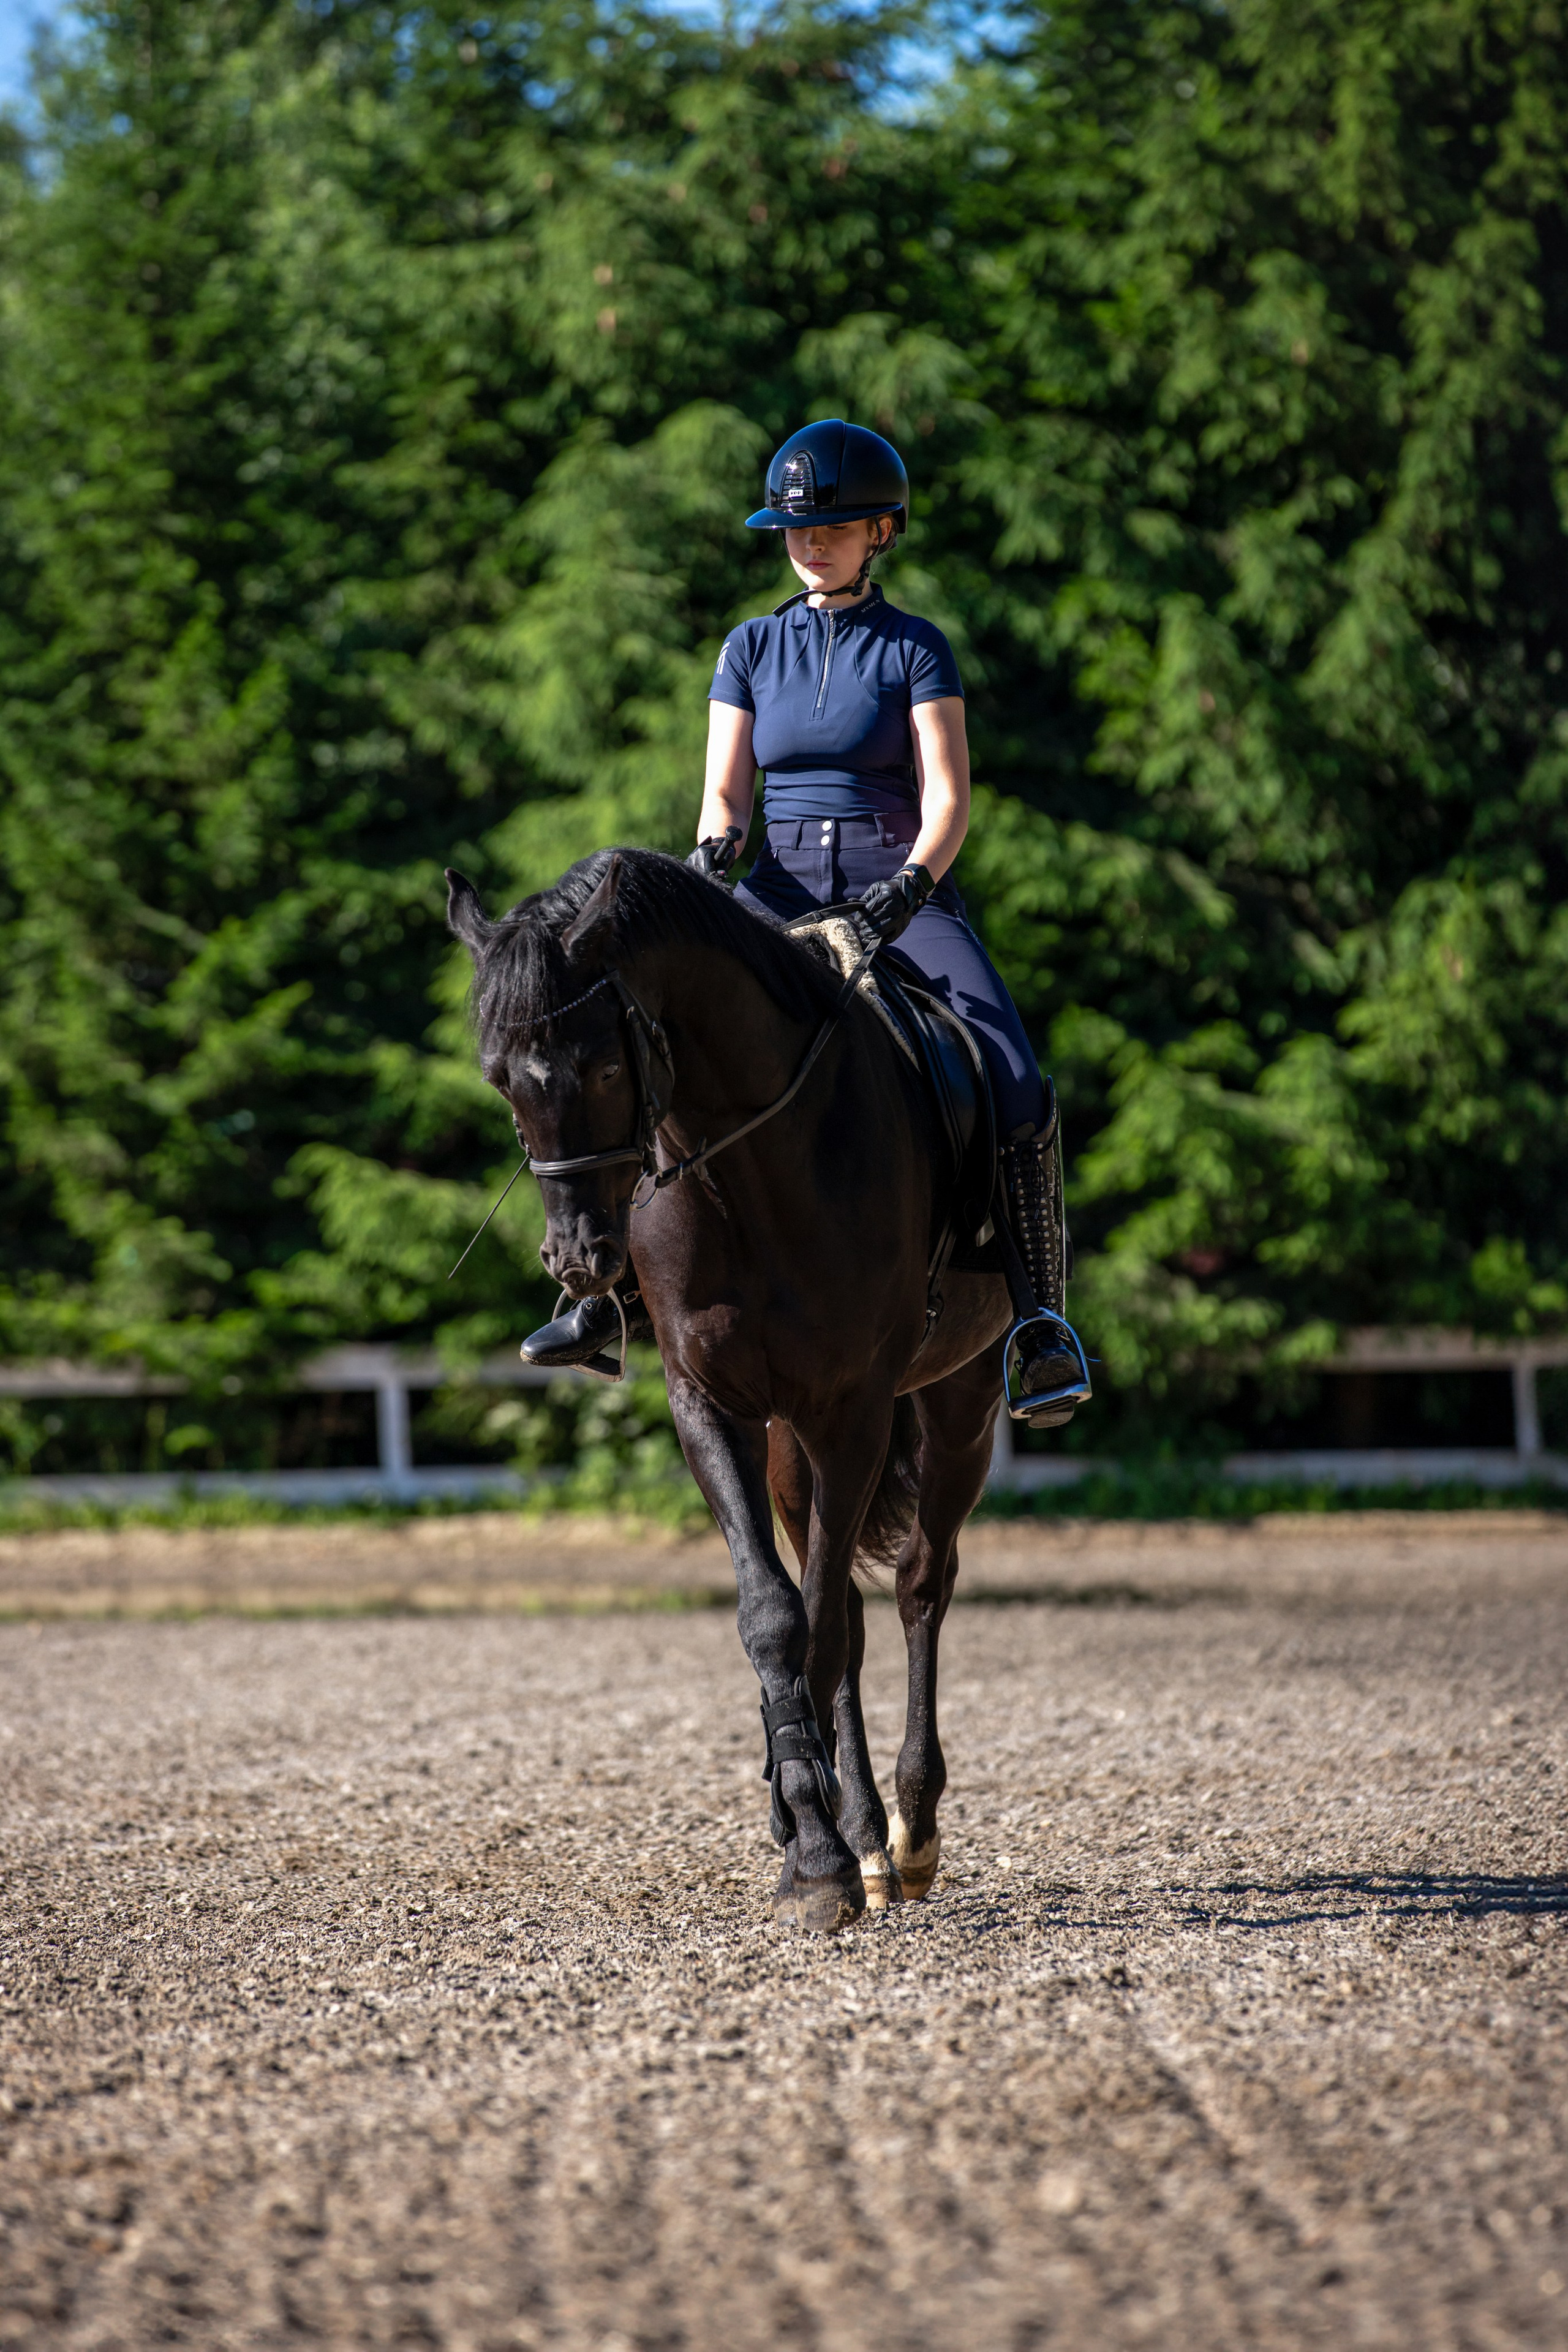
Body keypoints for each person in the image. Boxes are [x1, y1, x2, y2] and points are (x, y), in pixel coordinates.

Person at [522, 419, 1086, 1420]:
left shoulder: (916, 647)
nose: (811, 543)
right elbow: (724, 797)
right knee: (643, 1039)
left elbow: (950, 798)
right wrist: (711, 860)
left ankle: (1040, 1322)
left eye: (833, 527)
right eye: (796, 529)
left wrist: (908, 886)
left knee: (1010, 1067)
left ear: (881, 532)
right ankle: (604, 1296)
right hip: (774, 891)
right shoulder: (749, 646)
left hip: (896, 891)